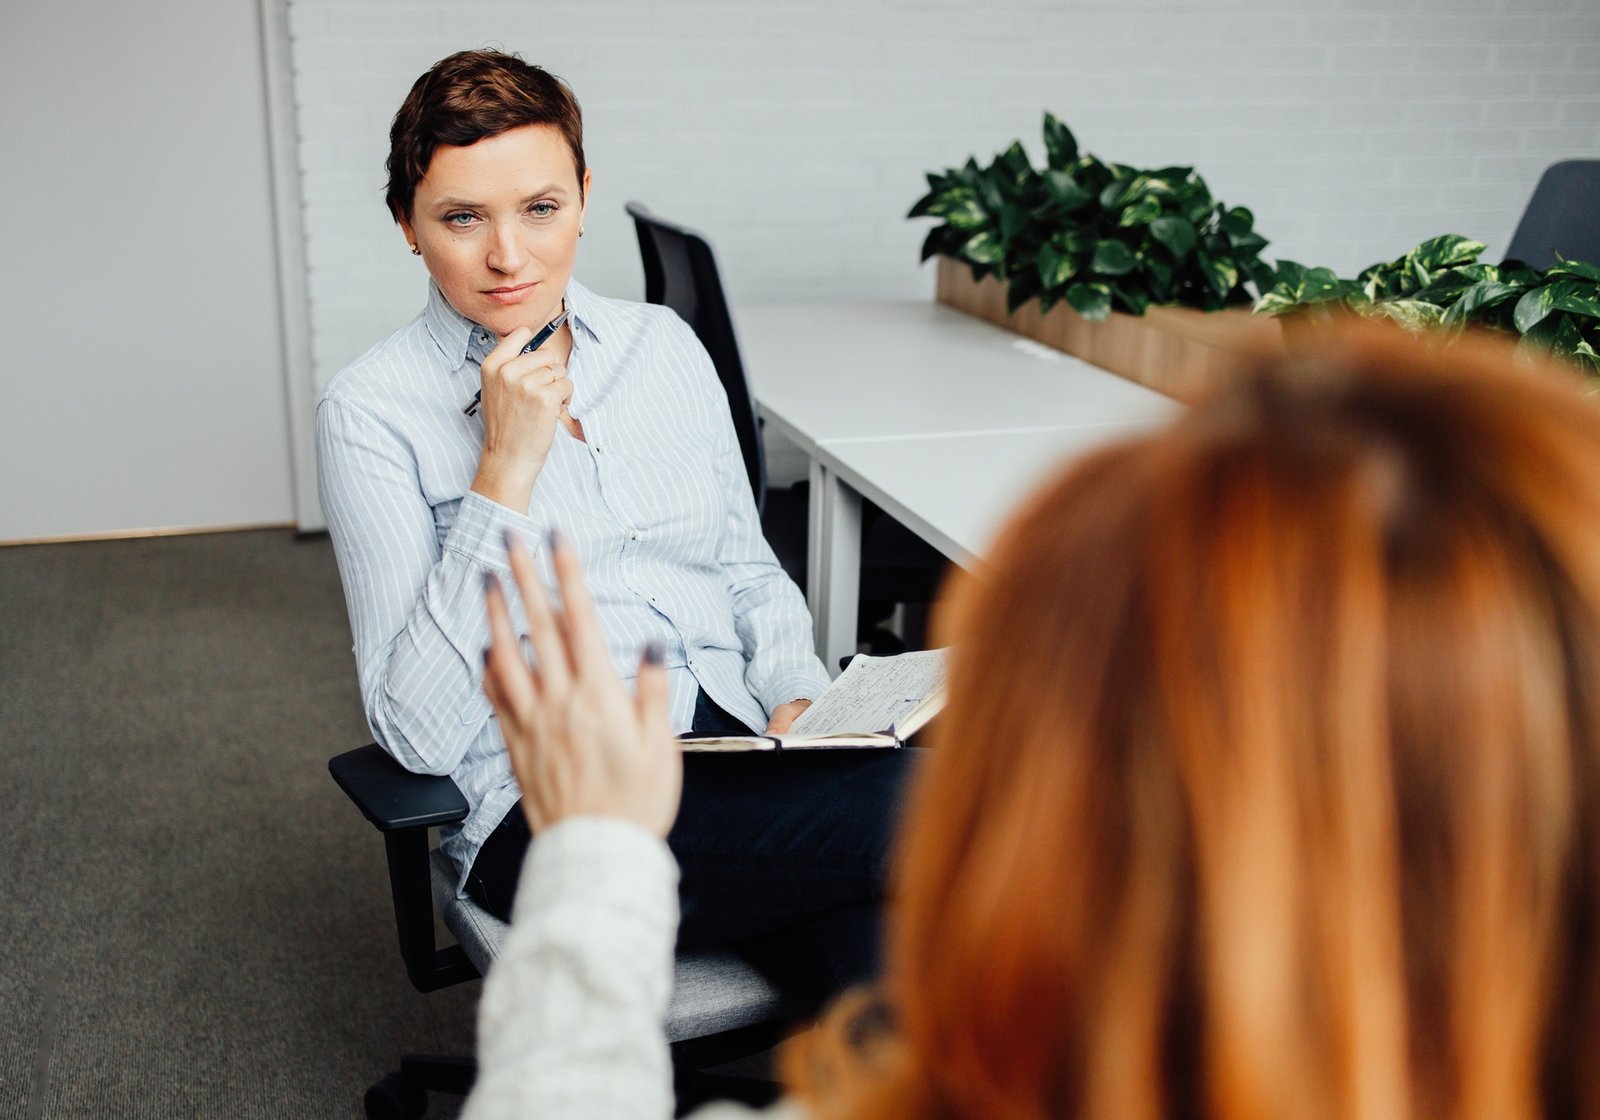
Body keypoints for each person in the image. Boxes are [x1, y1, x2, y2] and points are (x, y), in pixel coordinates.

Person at [466, 321, 1600, 1119]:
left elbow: (553, 1093)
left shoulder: (660, 356)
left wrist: (600, 849)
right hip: (570, 783)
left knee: (891, 858)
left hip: (669, 780)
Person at [315, 48, 910, 1006]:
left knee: (886, 977)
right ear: (406, 226)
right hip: (553, 809)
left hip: (739, 755)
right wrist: (502, 475)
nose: (509, 256)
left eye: (540, 209)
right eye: (462, 218)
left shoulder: (663, 349)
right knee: (945, 802)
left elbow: (747, 570)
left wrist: (798, 691)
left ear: (584, 198)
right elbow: (414, 738)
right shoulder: (371, 410)